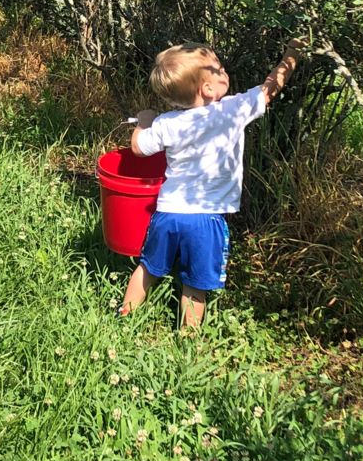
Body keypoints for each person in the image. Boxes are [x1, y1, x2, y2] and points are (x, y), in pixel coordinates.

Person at [119, 39, 304, 328]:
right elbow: (271, 88)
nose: (224, 70)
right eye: (218, 68)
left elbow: (138, 149)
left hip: (168, 213)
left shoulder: (168, 122)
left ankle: (124, 317)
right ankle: (188, 341)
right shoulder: (231, 111)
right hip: (205, 219)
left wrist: (144, 121)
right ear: (206, 89)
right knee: (195, 284)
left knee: (148, 267)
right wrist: (292, 54)